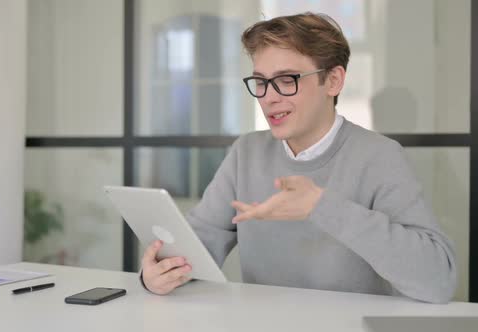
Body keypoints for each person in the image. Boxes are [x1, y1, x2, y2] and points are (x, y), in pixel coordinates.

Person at [140, 12, 457, 303]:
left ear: (333, 81)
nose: (269, 97)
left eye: (287, 79)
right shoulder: (246, 152)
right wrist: (157, 275)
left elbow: (438, 282)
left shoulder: (380, 156)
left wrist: (322, 205)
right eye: (261, 82)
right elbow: (197, 247)